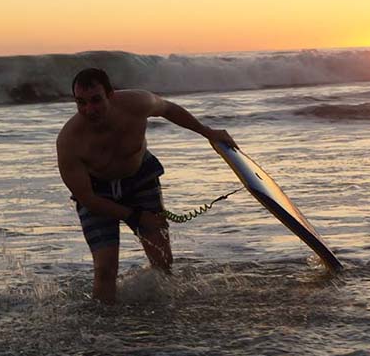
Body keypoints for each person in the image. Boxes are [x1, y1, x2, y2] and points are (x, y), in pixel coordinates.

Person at [57, 68, 236, 304]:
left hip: (140, 179)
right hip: (98, 194)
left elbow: (169, 109)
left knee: (163, 262)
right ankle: (104, 328)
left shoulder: (136, 103)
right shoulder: (69, 141)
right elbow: (88, 199)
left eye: (96, 100)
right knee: (105, 270)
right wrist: (136, 216)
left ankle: (162, 315)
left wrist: (208, 132)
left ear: (111, 95)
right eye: (81, 102)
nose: (89, 110)